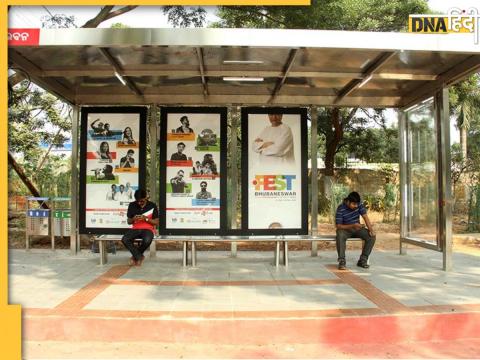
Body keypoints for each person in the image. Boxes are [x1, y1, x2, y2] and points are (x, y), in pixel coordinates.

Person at [335, 191, 375, 270]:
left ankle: (362, 260)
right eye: (354, 204)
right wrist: (353, 225)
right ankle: (342, 261)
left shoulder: (359, 204)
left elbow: (365, 217)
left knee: (371, 237)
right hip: (345, 230)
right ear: (348, 201)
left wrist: (371, 230)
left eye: (357, 204)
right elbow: (338, 226)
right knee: (340, 235)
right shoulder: (341, 208)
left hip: (357, 229)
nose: (356, 206)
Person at [122, 189, 159, 266]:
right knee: (125, 239)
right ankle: (139, 256)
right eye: (137, 201)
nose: (139, 203)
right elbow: (129, 221)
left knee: (147, 240)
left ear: (146, 198)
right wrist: (133, 219)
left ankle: (134, 257)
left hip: (147, 229)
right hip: (135, 228)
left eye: (142, 201)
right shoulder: (132, 205)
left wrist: (145, 218)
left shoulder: (152, 205)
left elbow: (156, 222)